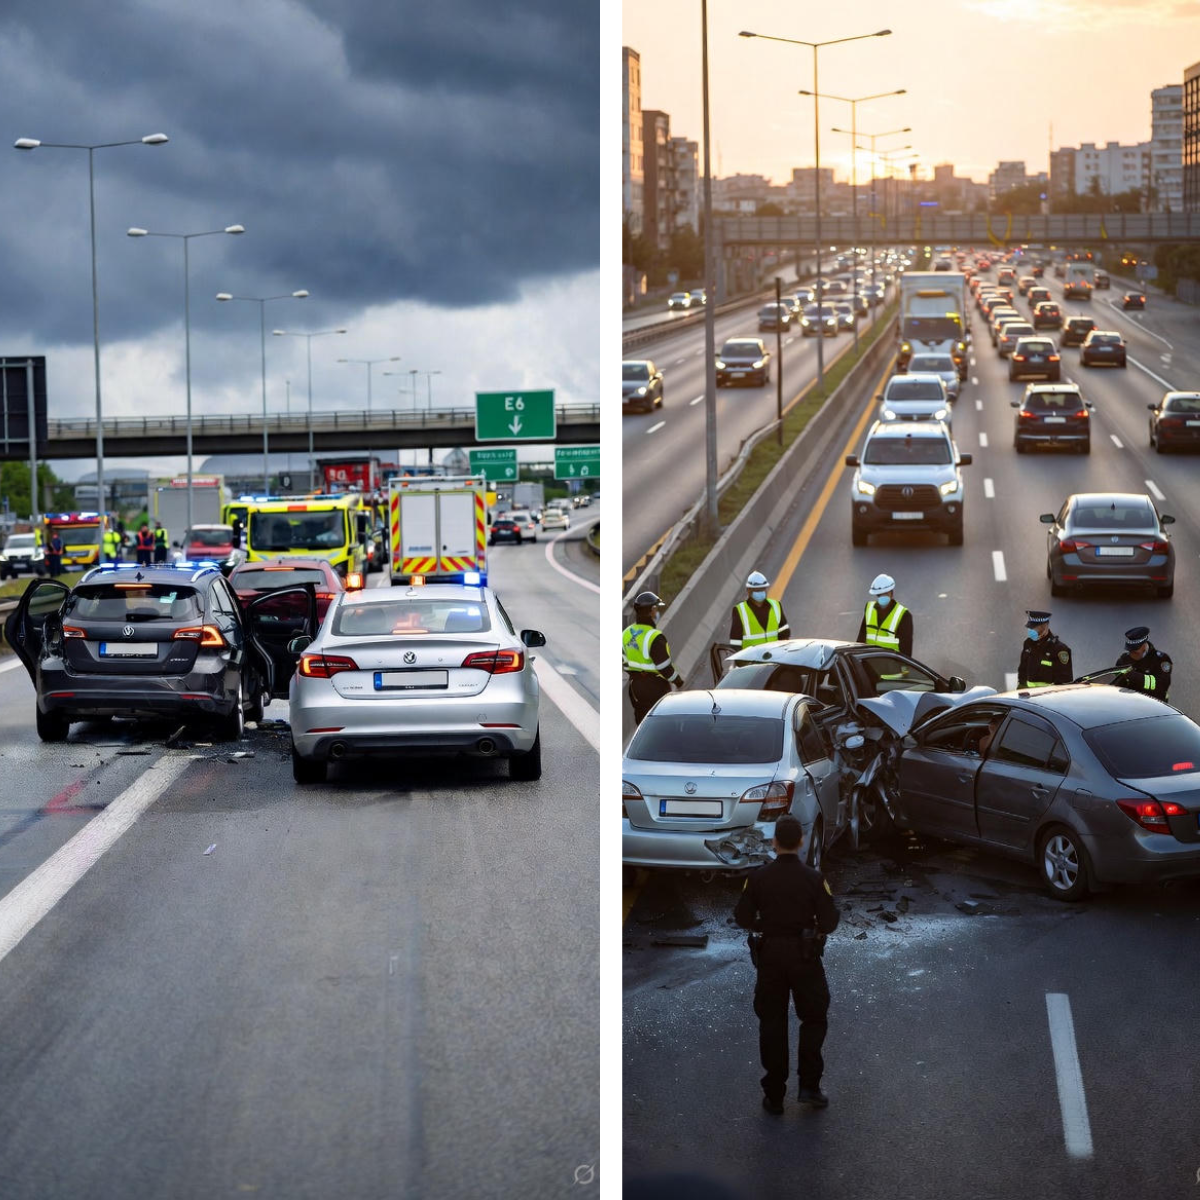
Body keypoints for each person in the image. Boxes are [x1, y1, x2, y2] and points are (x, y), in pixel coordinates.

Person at [734, 814, 840, 1114]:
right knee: (814, 1019)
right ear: (801, 842)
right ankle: (809, 1087)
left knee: (772, 1023)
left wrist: (764, 924)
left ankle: (775, 1095)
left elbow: (742, 917)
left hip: (770, 957)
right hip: (805, 956)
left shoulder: (756, 878)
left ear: (774, 842)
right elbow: (830, 921)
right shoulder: (815, 879)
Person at [623, 590, 684, 725]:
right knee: (662, 723)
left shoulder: (626, 634)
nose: (657, 612)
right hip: (655, 687)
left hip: (635, 687)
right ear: (650, 611)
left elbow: (623, 662)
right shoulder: (654, 637)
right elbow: (664, 667)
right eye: (655, 609)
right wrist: (678, 681)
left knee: (642, 722)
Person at [729, 570, 790, 649]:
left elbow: (784, 632)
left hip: (774, 657)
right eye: (757, 590)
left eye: (763, 589)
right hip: (752, 659)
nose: (761, 592)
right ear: (749, 590)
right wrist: (742, 660)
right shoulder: (740, 610)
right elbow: (735, 642)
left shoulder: (776, 606)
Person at [856, 573, 912, 657]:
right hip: (869, 662)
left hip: (891, 664)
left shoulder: (903, 614)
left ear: (892, 593)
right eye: (879, 594)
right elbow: (861, 638)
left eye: (885, 593)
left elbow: (906, 648)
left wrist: (904, 669)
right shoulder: (869, 609)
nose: (882, 597)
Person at [1115, 625, 1172, 703]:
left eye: (1135, 651)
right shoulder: (1123, 660)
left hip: (1156, 705)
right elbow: (1116, 687)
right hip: (1131, 704)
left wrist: (1133, 676)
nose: (1132, 655)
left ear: (1144, 645)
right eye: (1130, 651)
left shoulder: (1161, 660)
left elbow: (1161, 685)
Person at [1017, 610, 1072, 688]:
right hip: (1028, 695)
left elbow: (1064, 680)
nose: (1030, 631)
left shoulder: (1060, 649)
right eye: (1029, 628)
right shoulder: (1028, 643)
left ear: (1044, 627)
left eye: (1034, 628)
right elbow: (1022, 669)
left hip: (1047, 697)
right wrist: (1020, 688)